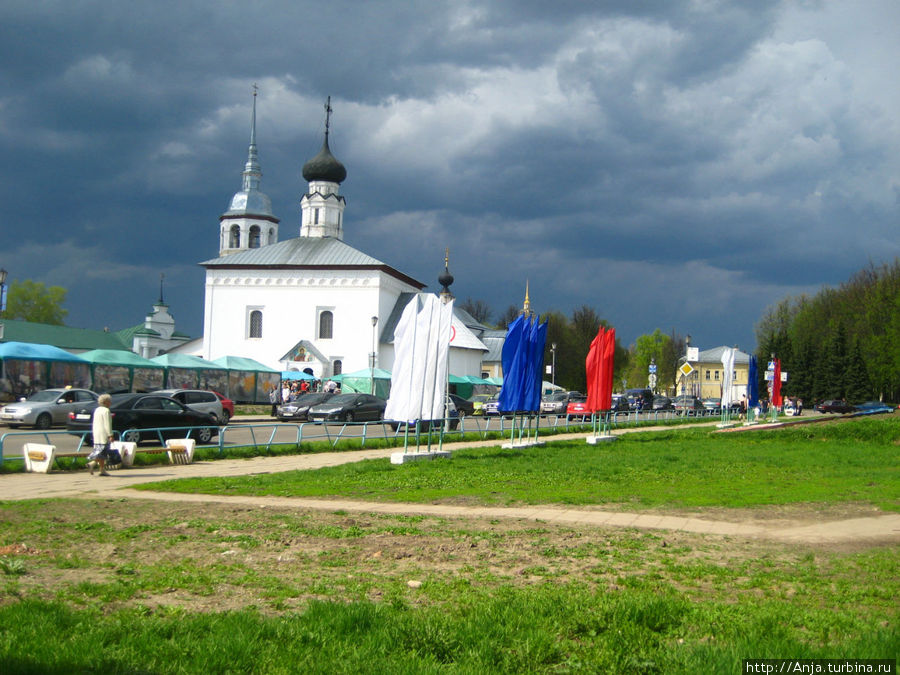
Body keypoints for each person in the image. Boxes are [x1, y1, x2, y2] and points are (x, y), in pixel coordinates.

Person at [89, 393, 113, 476]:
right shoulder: (106, 411)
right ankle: (93, 464)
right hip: (104, 435)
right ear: (106, 402)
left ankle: (101, 469)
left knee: (99, 452)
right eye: (109, 401)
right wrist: (110, 435)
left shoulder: (97, 410)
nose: (110, 403)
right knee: (103, 453)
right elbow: (107, 424)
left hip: (96, 434)